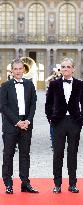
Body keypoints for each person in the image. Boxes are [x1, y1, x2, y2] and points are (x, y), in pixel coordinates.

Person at [45, 57, 83, 193]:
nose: (65, 69)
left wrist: (81, 121)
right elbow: (48, 104)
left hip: (75, 122)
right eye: (63, 67)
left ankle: (72, 184)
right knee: (57, 154)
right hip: (58, 122)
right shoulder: (54, 84)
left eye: (68, 67)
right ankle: (57, 184)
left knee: (72, 154)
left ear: (73, 69)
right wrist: (51, 119)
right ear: (60, 69)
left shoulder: (80, 84)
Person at [1, 58, 38, 194]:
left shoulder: (30, 85)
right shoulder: (5, 86)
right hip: (11, 125)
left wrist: (27, 121)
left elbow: (33, 104)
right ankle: (8, 184)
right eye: (15, 69)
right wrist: (17, 122)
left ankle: (25, 183)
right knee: (8, 155)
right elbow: (3, 107)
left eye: (20, 68)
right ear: (11, 71)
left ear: (23, 70)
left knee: (25, 155)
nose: (18, 71)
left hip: (26, 125)